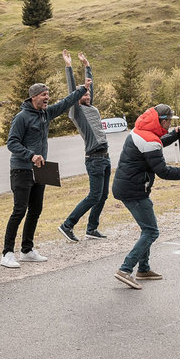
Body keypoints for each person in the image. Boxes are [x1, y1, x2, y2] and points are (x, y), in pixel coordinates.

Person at [0, 55, 91, 268]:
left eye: (48, 94)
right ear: (33, 97)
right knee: (19, 210)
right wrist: (30, 155)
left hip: (40, 170)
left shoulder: (45, 114)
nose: (47, 98)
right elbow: (11, 143)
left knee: (36, 209)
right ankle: (6, 253)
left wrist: (82, 89)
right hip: (22, 170)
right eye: (43, 95)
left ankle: (27, 250)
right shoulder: (22, 117)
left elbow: (65, 103)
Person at [112, 104, 180, 289]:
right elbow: (164, 171)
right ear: (162, 120)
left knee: (147, 228)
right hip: (133, 190)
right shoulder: (149, 140)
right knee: (151, 231)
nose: (169, 124)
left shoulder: (141, 130)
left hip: (130, 187)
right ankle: (125, 269)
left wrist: (174, 135)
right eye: (168, 121)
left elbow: (157, 142)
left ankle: (143, 269)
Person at [57, 50, 111, 242]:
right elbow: (74, 90)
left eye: (88, 93)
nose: (87, 94)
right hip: (94, 158)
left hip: (105, 157)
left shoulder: (91, 107)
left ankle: (92, 228)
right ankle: (67, 225)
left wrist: (87, 66)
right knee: (93, 195)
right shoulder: (76, 111)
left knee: (102, 196)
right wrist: (69, 66)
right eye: (84, 93)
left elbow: (90, 87)